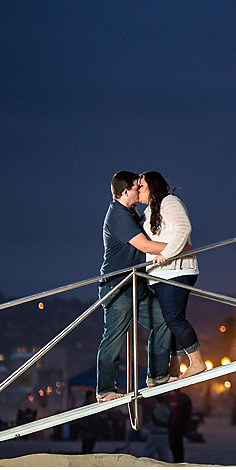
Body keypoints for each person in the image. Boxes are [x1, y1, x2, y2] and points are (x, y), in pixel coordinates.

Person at [96, 171, 173, 403]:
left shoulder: (130, 212)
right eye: (137, 187)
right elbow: (146, 246)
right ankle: (105, 390)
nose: (140, 190)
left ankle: (158, 375)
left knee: (164, 317)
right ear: (126, 191)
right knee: (114, 337)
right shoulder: (118, 215)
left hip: (136, 284)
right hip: (118, 287)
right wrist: (179, 246)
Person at [137, 171, 206, 379]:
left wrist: (165, 254)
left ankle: (197, 362)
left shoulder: (169, 202)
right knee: (169, 320)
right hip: (161, 275)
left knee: (174, 319)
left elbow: (183, 228)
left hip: (177, 270)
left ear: (151, 186)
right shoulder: (149, 211)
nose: (138, 189)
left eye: (141, 185)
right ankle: (175, 367)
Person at [142, 396, 172, 462]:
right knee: (165, 455)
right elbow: (170, 421)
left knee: (148, 453)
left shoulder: (155, 408)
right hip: (165, 433)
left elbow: (154, 420)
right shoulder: (167, 409)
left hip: (155, 432)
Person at [169, 388, 193, 463]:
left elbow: (187, 412)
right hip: (172, 426)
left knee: (178, 445)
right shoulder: (170, 398)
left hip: (179, 426)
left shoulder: (183, 398)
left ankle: (178, 461)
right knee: (173, 445)